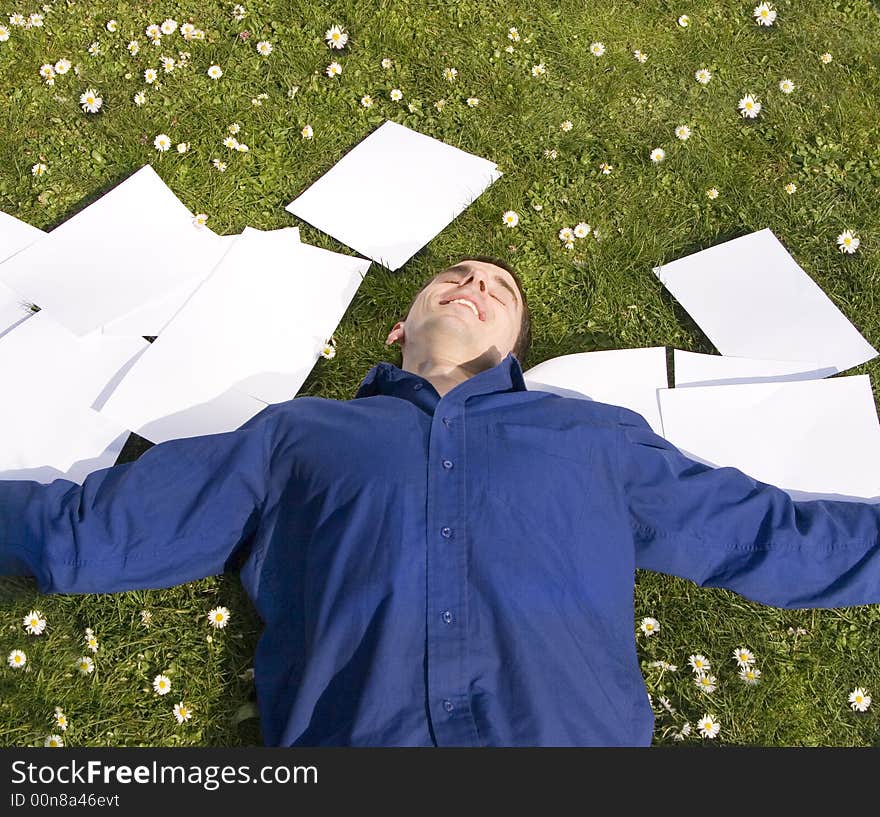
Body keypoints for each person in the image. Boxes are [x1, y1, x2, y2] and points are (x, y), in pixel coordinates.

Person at [2, 255, 880, 747]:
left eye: (499, 290)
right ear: (399, 327)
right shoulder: (296, 435)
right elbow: (91, 533)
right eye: (454, 277)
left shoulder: (595, 440)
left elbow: (773, 536)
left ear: (513, 352)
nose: (475, 286)